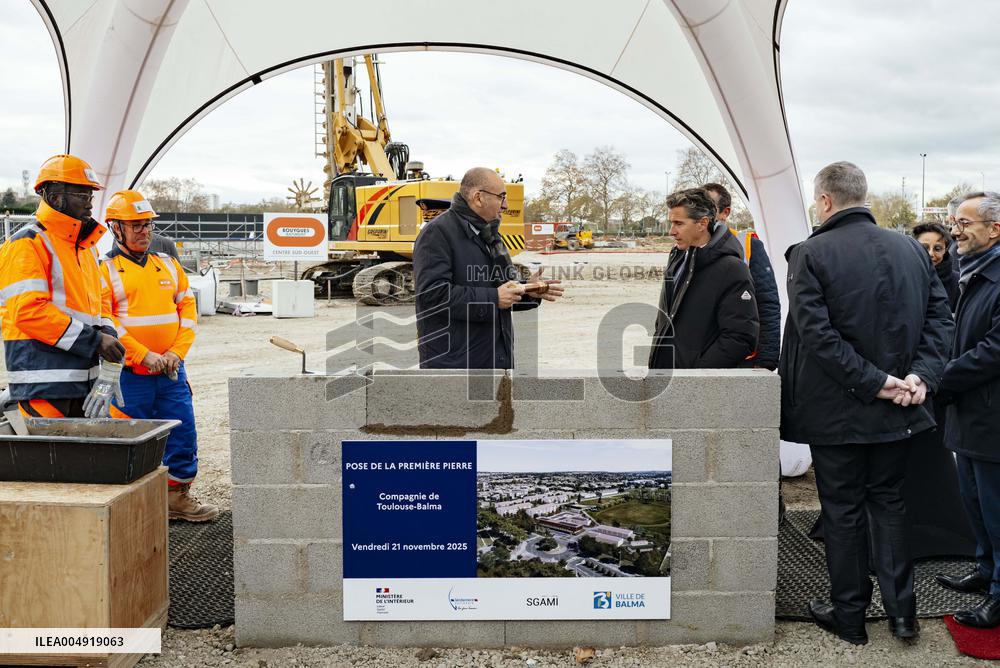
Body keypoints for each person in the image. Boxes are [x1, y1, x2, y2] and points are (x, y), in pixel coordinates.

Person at [780, 161, 953, 645]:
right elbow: (942, 318)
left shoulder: (811, 253)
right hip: (900, 406)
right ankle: (903, 616)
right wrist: (920, 376)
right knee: (890, 506)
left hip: (840, 410)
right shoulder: (910, 248)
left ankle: (850, 616)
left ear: (826, 201)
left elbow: (816, 335)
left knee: (843, 511)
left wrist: (879, 382)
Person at [100, 190, 217, 522]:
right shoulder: (105, 270)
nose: (144, 231)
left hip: (170, 373)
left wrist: (176, 353)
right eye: (135, 225)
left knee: (182, 433)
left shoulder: (167, 264)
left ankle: (176, 499)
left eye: (147, 225)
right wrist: (142, 355)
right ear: (116, 228)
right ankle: (135, 510)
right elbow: (106, 321)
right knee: (131, 439)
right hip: (130, 376)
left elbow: (188, 312)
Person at [0, 154, 125, 417]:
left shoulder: (85, 249)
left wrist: (108, 334)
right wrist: (95, 340)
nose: (90, 205)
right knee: (52, 459)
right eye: (83, 196)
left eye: (91, 196)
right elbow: (28, 312)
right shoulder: (28, 243)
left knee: (84, 457)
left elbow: (101, 300)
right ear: (55, 197)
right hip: (43, 382)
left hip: (83, 381)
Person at [413, 168, 562, 369]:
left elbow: (501, 288)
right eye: (501, 197)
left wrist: (528, 290)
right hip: (455, 364)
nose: (506, 205)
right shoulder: (437, 233)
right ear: (478, 198)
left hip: (493, 358)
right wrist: (493, 299)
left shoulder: (489, 234)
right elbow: (433, 295)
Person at [935, 191, 1000, 628]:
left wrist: (940, 377)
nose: (954, 229)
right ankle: (986, 570)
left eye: (965, 222)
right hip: (971, 414)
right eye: (954, 221)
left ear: (995, 229)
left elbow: (994, 350)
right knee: (974, 502)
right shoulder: (972, 273)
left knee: (996, 509)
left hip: (993, 418)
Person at [648, 187, 758, 369]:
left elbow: (741, 338)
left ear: (702, 223)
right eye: (671, 223)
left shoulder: (732, 269)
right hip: (665, 377)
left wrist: (697, 373)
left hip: (698, 385)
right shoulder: (677, 257)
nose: (671, 231)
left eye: (679, 223)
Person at [703, 183, 780, 370]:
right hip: (701, 357)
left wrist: (766, 360)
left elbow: (767, 303)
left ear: (725, 213)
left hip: (742, 360)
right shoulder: (686, 249)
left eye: (708, 208)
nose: (702, 215)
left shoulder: (749, 246)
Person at [913, 222, 960, 310]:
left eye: (937, 248)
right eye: (924, 247)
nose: (930, 253)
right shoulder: (902, 278)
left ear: (945, 250)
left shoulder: (958, 283)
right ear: (914, 247)